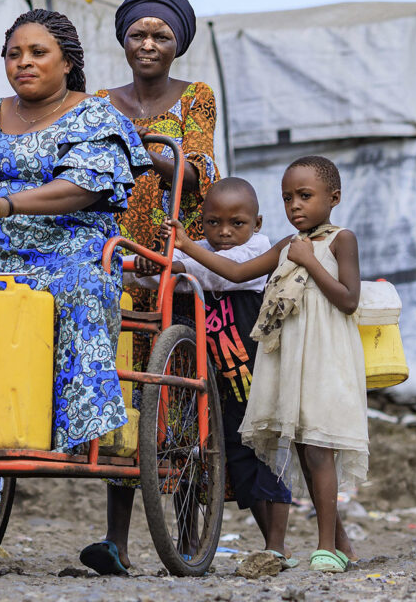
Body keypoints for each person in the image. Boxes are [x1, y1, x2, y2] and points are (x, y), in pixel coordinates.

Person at [0, 8, 152, 452]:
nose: (23, 62)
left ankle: (81, 427)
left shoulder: (94, 115)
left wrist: (5, 204)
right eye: (13, 54)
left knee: (84, 287)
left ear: (66, 62)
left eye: (37, 52)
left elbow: (82, 187)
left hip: (67, 250)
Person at [166, 156, 368, 573]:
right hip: (287, 358)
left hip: (324, 356)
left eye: (305, 196)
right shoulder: (284, 246)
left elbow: (349, 299)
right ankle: (339, 543)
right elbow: (237, 273)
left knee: (317, 448)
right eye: (288, 198)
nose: (295, 206)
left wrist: (310, 260)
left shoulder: (340, 240)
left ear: (334, 198)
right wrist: (186, 248)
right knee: (297, 447)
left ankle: (327, 546)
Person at [86, 0, 220, 576]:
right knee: (122, 395)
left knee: (178, 396)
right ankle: (116, 540)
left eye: (160, 36)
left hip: (171, 254)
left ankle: (187, 534)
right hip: (113, 258)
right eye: (138, 34)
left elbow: (200, 174)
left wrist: (140, 149)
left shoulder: (196, 97)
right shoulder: (96, 100)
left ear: (177, 45)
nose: (147, 44)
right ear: (122, 41)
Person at [132, 178, 295, 567]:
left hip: (253, 374)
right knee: (234, 459)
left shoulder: (259, 249)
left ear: (256, 223)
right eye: (213, 223)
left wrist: (184, 253)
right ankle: (270, 545)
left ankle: (278, 543)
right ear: (201, 222)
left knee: (267, 454)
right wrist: (146, 266)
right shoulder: (203, 249)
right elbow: (163, 276)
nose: (224, 233)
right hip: (210, 379)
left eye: (236, 223)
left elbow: (227, 274)